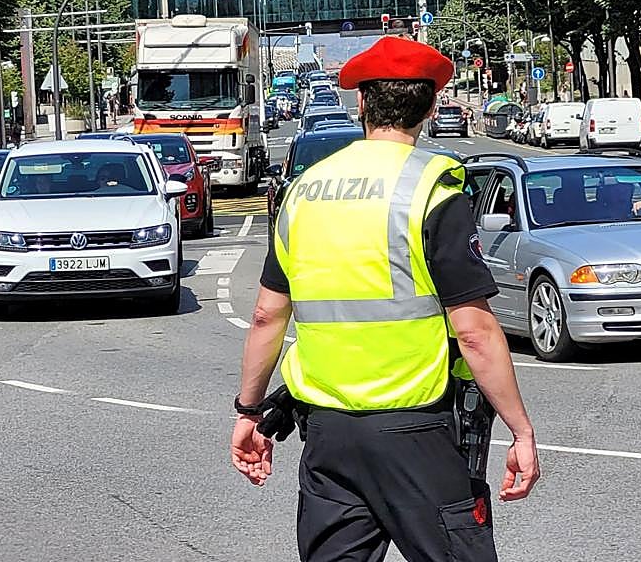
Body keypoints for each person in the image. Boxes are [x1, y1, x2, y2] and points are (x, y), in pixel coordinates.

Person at [231, 36, 540, 561]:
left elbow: (266, 315)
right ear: (432, 107)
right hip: (417, 430)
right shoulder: (432, 191)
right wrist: (521, 429)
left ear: (362, 104)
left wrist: (247, 410)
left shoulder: (304, 191)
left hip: (328, 436)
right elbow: (474, 330)